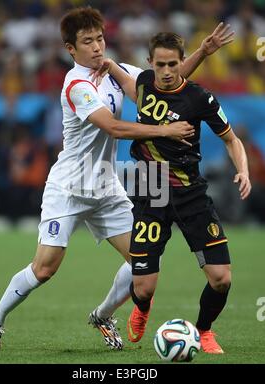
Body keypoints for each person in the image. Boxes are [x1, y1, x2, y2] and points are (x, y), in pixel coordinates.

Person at [0, 6, 234, 352]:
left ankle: (102, 315)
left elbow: (164, 85)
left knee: (140, 261)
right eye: (88, 42)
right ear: (71, 49)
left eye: (100, 38)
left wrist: (203, 52)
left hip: (105, 182)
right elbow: (113, 127)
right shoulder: (77, 84)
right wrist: (165, 129)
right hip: (69, 185)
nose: (98, 47)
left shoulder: (116, 71)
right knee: (45, 268)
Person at [100, 32, 251, 354]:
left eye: (173, 64)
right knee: (143, 286)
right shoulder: (144, 84)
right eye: (160, 64)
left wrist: (243, 169)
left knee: (221, 278)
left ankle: (205, 331)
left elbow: (231, 139)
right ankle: (142, 306)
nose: (167, 71)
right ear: (149, 63)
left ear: (181, 63)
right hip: (150, 186)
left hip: (190, 191)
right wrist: (109, 63)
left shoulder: (200, 98)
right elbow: (130, 86)